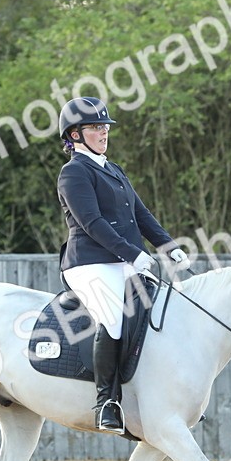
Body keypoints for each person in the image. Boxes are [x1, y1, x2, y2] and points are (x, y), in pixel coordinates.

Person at [56, 96, 189, 434]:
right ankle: (106, 403)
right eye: (96, 127)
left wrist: (167, 246)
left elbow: (141, 215)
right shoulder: (73, 173)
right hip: (89, 262)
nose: (104, 132)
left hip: (123, 259)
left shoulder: (113, 170)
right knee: (114, 318)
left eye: (105, 127)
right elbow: (92, 223)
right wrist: (133, 253)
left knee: (158, 311)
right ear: (74, 135)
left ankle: (164, 398)